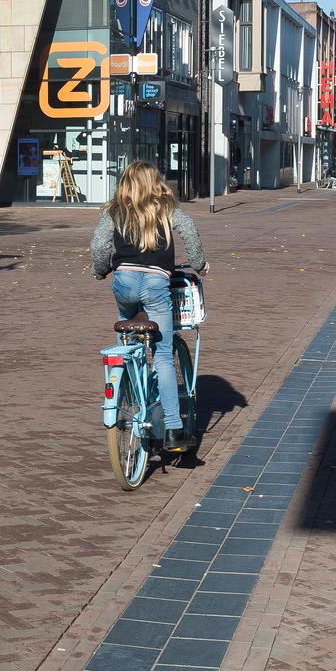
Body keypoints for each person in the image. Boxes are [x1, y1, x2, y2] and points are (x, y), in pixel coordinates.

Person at [90, 162, 206, 455]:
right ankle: (172, 429)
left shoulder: (114, 210)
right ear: (156, 183)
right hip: (157, 285)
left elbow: (99, 246)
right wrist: (199, 263)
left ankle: (128, 386)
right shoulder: (166, 209)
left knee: (125, 324)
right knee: (164, 355)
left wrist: (100, 269)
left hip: (124, 281)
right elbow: (190, 231)